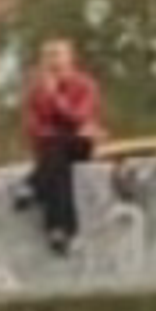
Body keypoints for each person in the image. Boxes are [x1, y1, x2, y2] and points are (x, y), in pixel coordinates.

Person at [23, 39, 103, 256]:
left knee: (56, 149)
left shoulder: (85, 85)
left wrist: (56, 98)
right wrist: (52, 132)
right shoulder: (36, 91)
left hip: (79, 145)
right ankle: (60, 231)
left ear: (70, 58)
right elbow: (32, 127)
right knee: (58, 166)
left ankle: (33, 184)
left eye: (57, 55)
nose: (53, 62)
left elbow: (80, 117)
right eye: (48, 57)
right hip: (53, 150)